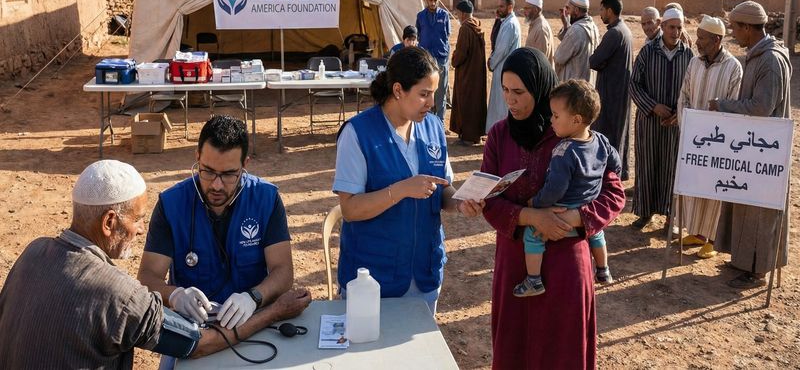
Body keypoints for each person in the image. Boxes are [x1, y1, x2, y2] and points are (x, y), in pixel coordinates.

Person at [0, 160, 311, 369]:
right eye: (136, 219)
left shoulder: (34, 251)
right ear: (110, 222)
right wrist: (275, 311)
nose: (139, 229)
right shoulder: (118, 295)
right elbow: (199, 345)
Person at [481, 47, 625, 369]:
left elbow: (614, 194)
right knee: (513, 348)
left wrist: (578, 218)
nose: (510, 100)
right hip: (515, 262)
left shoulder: (572, 130)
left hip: (566, 262)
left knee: (562, 350)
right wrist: (532, 217)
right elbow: (489, 199)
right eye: (505, 91)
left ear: (541, 88)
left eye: (519, 92)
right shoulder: (498, 136)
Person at [332, 46, 484, 314]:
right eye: (423, 94)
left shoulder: (434, 128)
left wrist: (460, 203)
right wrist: (400, 190)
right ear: (398, 90)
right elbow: (351, 209)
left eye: (434, 94)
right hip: (374, 278)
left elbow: (442, 188)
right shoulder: (358, 134)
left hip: (424, 273)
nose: (431, 103)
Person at [138, 115, 293, 331]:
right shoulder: (171, 204)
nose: (217, 185)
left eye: (229, 174)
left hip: (253, 321)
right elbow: (147, 276)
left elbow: (283, 272)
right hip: (193, 327)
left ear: (244, 164)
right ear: (197, 157)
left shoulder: (266, 199)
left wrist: (254, 297)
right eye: (208, 171)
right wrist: (175, 296)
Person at [709, 1, 792, 289]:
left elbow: (761, 107)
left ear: (747, 27)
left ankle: (756, 270)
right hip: (750, 148)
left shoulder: (770, 60)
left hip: (765, 150)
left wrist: (723, 106)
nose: (733, 33)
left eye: (735, 28)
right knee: (746, 205)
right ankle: (744, 261)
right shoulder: (758, 56)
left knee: (760, 210)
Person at [513, 79, 619, 297]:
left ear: (576, 119)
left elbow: (555, 189)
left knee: (532, 235)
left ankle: (533, 280)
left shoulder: (564, 151)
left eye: (556, 116)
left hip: (562, 209)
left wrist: (537, 203)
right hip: (588, 205)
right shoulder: (600, 140)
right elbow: (615, 164)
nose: (551, 120)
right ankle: (603, 270)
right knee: (597, 233)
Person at [676, 15, 742, 259]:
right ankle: (698, 233)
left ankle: (713, 238)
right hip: (694, 140)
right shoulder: (694, 63)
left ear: (716, 40)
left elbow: (734, 104)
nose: (697, 42)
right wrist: (688, 127)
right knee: (695, 187)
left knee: (715, 189)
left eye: (702, 38)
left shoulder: (733, 67)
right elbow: (684, 96)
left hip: (719, 143)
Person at [629, 8, 694, 229]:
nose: (675, 32)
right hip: (648, 121)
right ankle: (645, 212)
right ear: (663, 27)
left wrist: (679, 113)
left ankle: (670, 218)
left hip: (675, 124)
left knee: (672, 167)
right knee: (647, 165)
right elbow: (634, 84)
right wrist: (653, 106)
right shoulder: (648, 52)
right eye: (671, 27)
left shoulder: (688, 55)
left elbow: (692, 90)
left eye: (679, 28)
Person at [590, 0, 633, 180]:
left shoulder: (614, 33)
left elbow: (594, 60)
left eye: (601, 10)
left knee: (607, 135)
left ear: (609, 10)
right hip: (618, 91)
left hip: (611, 93)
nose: (600, 14)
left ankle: (609, 178)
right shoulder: (624, 30)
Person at [450, 0, 487, 145]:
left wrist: (454, 59)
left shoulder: (465, 28)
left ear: (464, 13)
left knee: (466, 103)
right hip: (476, 73)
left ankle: (467, 137)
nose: (457, 16)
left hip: (466, 74)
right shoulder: (478, 24)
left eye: (458, 13)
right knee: (475, 103)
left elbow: (461, 53)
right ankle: (474, 134)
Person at [486, 0, 521, 132]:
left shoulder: (511, 24)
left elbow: (502, 49)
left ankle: (501, 135)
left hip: (504, 69)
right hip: (502, 68)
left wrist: (491, 62)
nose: (499, 9)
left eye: (502, 6)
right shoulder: (505, 22)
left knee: (502, 105)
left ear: (510, 7)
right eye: (498, 6)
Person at [416, 0, 451, 122]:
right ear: (426, 0)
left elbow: (447, 35)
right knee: (427, 90)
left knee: (441, 91)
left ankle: (440, 122)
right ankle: (427, 120)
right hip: (426, 59)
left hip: (441, 58)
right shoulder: (420, 16)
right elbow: (419, 34)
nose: (433, 3)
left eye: (435, 0)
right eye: (430, 0)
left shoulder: (444, 15)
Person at [554, 0, 600, 84]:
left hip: (573, 86)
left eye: (568, 8)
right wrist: (566, 26)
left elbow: (559, 58)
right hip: (586, 83)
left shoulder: (576, 30)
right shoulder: (593, 26)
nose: (566, 12)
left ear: (576, 10)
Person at [523, 0, 554, 66]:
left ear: (536, 10)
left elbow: (540, 60)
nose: (524, 11)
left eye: (527, 8)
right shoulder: (534, 25)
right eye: (524, 8)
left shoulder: (541, 29)